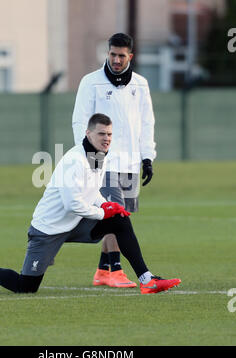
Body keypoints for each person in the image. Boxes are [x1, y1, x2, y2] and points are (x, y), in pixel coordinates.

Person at [0, 113, 180, 295]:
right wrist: (102, 213)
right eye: (101, 133)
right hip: (49, 228)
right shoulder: (74, 160)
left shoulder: (100, 155)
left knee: (120, 220)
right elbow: (72, 204)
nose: (106, 138)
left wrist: (105, 205)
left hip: (76, 222)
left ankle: (147, 280)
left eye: (110, 134)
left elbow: (91, 192)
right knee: (25, 287)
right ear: (88, 133)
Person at [72, 33, 156, 288]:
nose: (116, 60)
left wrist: (147, 157)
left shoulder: (140, 84)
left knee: (123, 215)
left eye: (121, 55)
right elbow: (80, 119)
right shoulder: (91, 82)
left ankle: (101, 270)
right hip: (103, 162)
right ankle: (115, 270)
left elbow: (146, 122)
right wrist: (88, 154)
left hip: (130, 163)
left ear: (130, 56)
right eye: (112, 54)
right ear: (107, 53)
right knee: (116, 216)